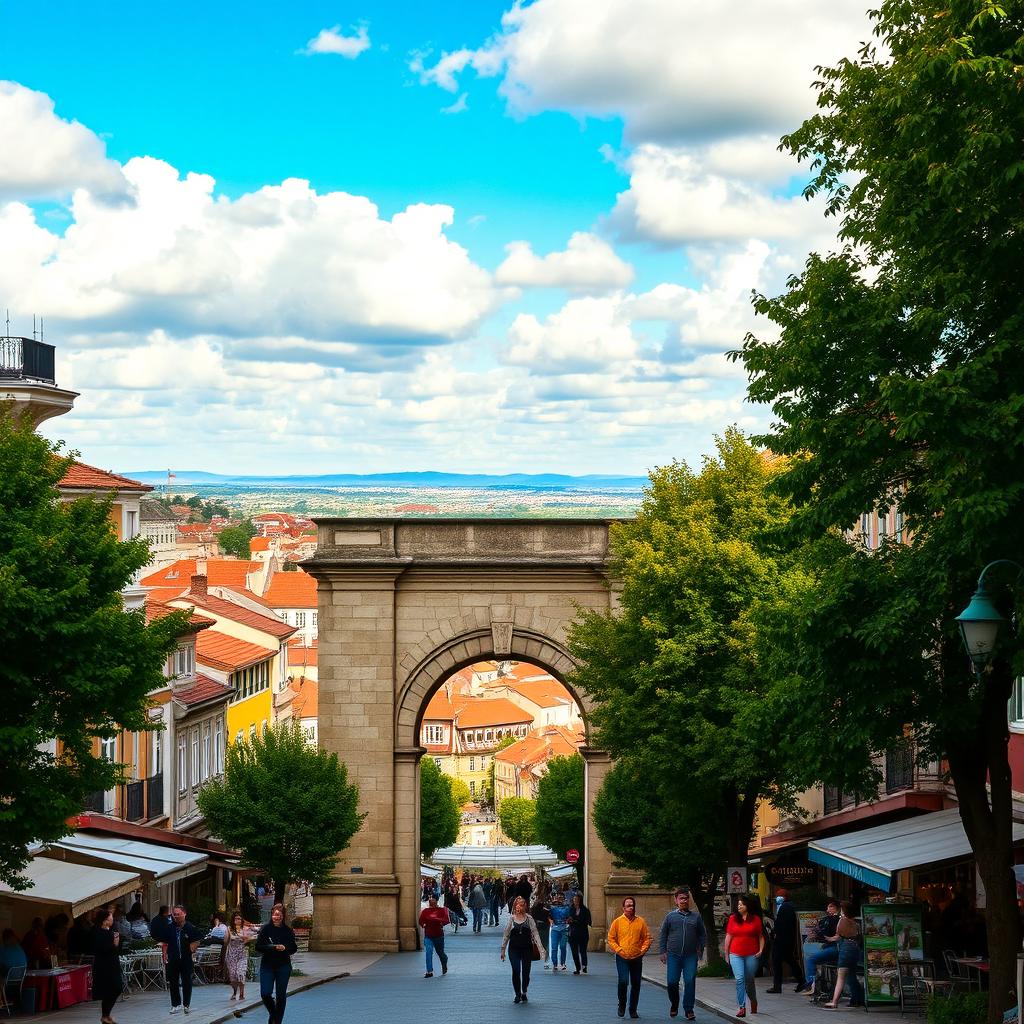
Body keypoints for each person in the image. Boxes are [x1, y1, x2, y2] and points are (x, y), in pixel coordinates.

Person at [658, 887, 707, 1021]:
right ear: (676, 900)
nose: (684, 901)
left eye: (686, 898)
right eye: (681, 898)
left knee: (690, 981)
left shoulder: (696, 917)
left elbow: (702, 935)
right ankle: (674, 1003)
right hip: (673, 955)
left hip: (690, 956)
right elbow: (663, 934)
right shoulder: (670, 917)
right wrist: (662, 951)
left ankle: (689, 1009)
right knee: (672, 982)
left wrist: (700, 948)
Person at [150, 904, 203, 1014]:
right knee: (173, 982)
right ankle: (175, 1004)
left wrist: (192, 949)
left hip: (186, 959)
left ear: (184, 914)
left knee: (186, 981)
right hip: (173, 958)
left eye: (178, 914)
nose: (176, 917)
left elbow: (197, 939)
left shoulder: (190, 927)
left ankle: (186, 1004)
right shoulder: (169, 928)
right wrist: (165, 955)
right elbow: (164, 942)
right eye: (174, 915)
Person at [608, 896, 651, 1019]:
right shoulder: (617, 922)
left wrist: (642, 951)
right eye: (628, 905)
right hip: (622, 956)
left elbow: (647, 938)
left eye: (632, 905)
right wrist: (619, 950)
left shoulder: (640, 921)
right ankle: (622, 1004)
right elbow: (611, 938)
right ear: (623, 908)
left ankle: (633, 1009)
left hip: (637, 957)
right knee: (623, 981)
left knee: (636, 983)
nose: (631, 907)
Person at [724, 895, 764, 1018]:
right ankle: (742, 1007)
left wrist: (761, 950)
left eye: (742, 904)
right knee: (740, 979)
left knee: (749, 980)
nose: (739, 906)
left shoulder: (756, 919)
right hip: (735, 954)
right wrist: (726, 954)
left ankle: (753, 1000)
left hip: (752, 954)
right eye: (738, 904)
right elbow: (728, 936)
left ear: (748, 906)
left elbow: (760, 937)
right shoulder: (733, 919)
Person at [256, 903, 297, 1024]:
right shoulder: (265, 929)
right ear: (271, 915)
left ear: (283, 916)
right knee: (265, 993)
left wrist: (285, 948)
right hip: (267, 965)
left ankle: (276, 1021)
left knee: (280, 995)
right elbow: (258, 946)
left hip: (283, 966)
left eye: (279, 915)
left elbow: (293, 948)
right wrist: (272, 947)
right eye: (274, 914)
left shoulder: (288, 931)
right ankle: (274, 1014)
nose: (276, 917)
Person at [500, 895, 546, 1003]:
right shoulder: (511, 919)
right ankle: (517, 994)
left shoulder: (529, 919)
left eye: (521, 905)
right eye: (517, 905)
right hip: (514, 949)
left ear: (525, 906)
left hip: (527, 949)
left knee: (526, 973)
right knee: (516, 971)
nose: (518, 907)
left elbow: (535, 934)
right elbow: (506, 935)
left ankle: (524, 990)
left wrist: (541, 950)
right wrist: (503, 950)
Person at [823, 902, 864, 1009]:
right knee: (851, 976)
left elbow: (839, 935)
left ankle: (834, 1002)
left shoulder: (842, 921)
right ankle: (858, 999)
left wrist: (829, 938)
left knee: (841, 976)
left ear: (844, 911)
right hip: (855, 950)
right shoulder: (857, 923)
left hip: (845, 949)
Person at [801, 899, 841, 995]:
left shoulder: (836, 919)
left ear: (837, 908)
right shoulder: (833, 919)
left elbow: (835, 935)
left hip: (836, 948)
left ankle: (812, 985)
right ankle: (817, 984)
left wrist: (827, 938)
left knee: (811, 959)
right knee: (812, 957)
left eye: (830, 907)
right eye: (828, 907)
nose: (828, 910)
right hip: (831, 946)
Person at [766, 888, 801, 994]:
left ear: (783, 897)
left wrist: (774, 933)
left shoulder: (785, 907)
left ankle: (777, 986)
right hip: (787, 939)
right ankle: (801, 980)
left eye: (778, 897)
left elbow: (781, 924)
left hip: (782, 940)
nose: (776, 899)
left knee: (777, 961)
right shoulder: (787, 906)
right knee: (789, 959)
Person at [92, 909, 123, 1024]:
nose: (112, 919)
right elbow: (102, 949)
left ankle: (106, 1015)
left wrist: (117, 943)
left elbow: (116, 949)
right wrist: (114, 944)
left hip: (113, 964)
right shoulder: (98, 933)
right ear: (105, 921)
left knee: (115, 988)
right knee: (112, 988)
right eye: (110, 918)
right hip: (104, 966)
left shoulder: (110, 931)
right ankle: (105, 1015)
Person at [418, 894, 450, 978]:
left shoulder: (441, 910)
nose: (432, 905)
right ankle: (429, 971)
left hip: (438, 935)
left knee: (440, 952)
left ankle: (444, 961)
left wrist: (439, 921)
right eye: (431, 903)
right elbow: (421, 921)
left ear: (436, 903)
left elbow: (446, 920)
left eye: (434, 903)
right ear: (429, 904)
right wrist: (423, 925)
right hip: (428, 935)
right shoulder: (425, 911)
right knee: (429, 952)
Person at [224, 912, 254, 1002]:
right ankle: (234, 992)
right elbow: (225, 941)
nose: (238, 920)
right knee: (233, 976)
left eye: (239, 919)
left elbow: (252, 937)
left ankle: (241, 993)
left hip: (242, 954)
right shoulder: (229, 929)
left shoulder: (245, 929)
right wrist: (226, 934)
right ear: (233, 920)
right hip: (231, 955)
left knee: (240, 973)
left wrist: (247, 939)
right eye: (236, 918)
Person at [568, 893, 592, 975]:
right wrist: (569, 921)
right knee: (574, 952)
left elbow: (587, 921)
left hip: (583, 934)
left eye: (577, 900)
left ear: (580, 901)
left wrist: (574, 920)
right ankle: (577, 968)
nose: (575, 901)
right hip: (573, 934)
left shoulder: (585, 910)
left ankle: (584, 966)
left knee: (583, 951)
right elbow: (567, 919)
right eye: (574, 900)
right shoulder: (570, 909)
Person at [548, 892, 571, 971]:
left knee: (563, 946)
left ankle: (563, 963)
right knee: (554, 947)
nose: (559, 899)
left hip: (563, 928)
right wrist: (550, 920)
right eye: (558, 897)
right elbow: (547, 916)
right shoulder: (551, 907)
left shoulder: (567, 908)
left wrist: (568, 920)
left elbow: (569, 917)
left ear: (564, 899)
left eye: (561, 898)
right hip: (554, 929)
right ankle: (555, 964)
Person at [529, 896, 551, 969]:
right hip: (543, 928)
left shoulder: (534, 908)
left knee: (539, 944)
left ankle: (544, 960)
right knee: (545, 945)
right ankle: (546, 961)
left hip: (539, 928)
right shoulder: (543, 907)